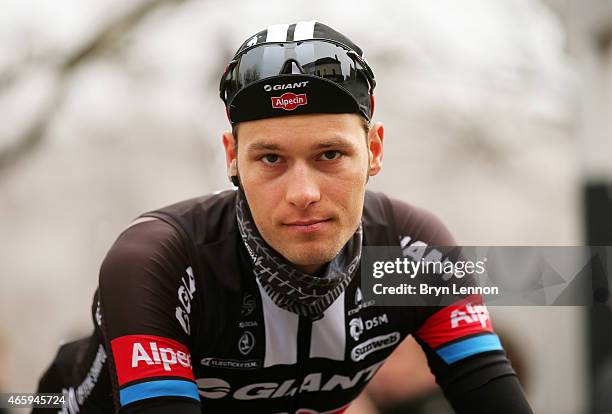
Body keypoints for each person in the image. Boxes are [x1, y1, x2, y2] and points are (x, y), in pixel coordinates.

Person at [35, 21, 533, 414]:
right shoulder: (160, 259)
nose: (303, 193)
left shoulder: (411, 252)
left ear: (374, 150)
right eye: (270, 159)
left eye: (330, 155)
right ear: (232, 157)